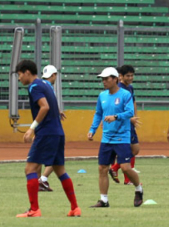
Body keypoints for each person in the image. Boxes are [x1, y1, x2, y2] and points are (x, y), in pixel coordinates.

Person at [15, 60, 80, 218]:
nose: (19, 78)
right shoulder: (46, 85)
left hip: (47, 133)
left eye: (19, 74)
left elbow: (45, 107)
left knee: (30, 169)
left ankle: (34, 210)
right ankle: (75, 208)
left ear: (27, 72)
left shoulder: (34, 87)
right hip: (58, 132)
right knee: (60, 170)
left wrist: (32, 128)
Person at [88, 67, 143, 208]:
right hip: (106, 138)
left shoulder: (125, 94)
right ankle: (103, 200)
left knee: (125, 168)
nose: (104, 81)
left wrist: (116, 117)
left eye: (106, 79)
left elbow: (130, 112)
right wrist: (92, 129)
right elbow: (98, 114)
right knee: (102, 168)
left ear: (115, 79)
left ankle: (138, 189)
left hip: (122, 137)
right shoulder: (102, 96)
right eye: (102, 79)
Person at [108, 65, 140, 185]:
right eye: (128, 75)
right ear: (120, 76)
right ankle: (122, 174)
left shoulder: (130, 88)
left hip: (129, 123)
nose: (130, 77)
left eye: (132, 75)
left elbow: (133, 102)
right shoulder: (118, 89)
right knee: (128, 150)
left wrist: (134, 117)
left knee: (133, 150)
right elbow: (115, 107)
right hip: (122, 125)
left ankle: (117, 169)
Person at [38, 64, 64, 192]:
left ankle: (40, 180)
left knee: (39, 156)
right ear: (54, 75)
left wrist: (57, 111)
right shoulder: (48, 88)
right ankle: (41, 180)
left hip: (44, 127)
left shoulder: (42, 86)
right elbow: (47, 105)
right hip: (50, 128)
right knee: (55, 157)